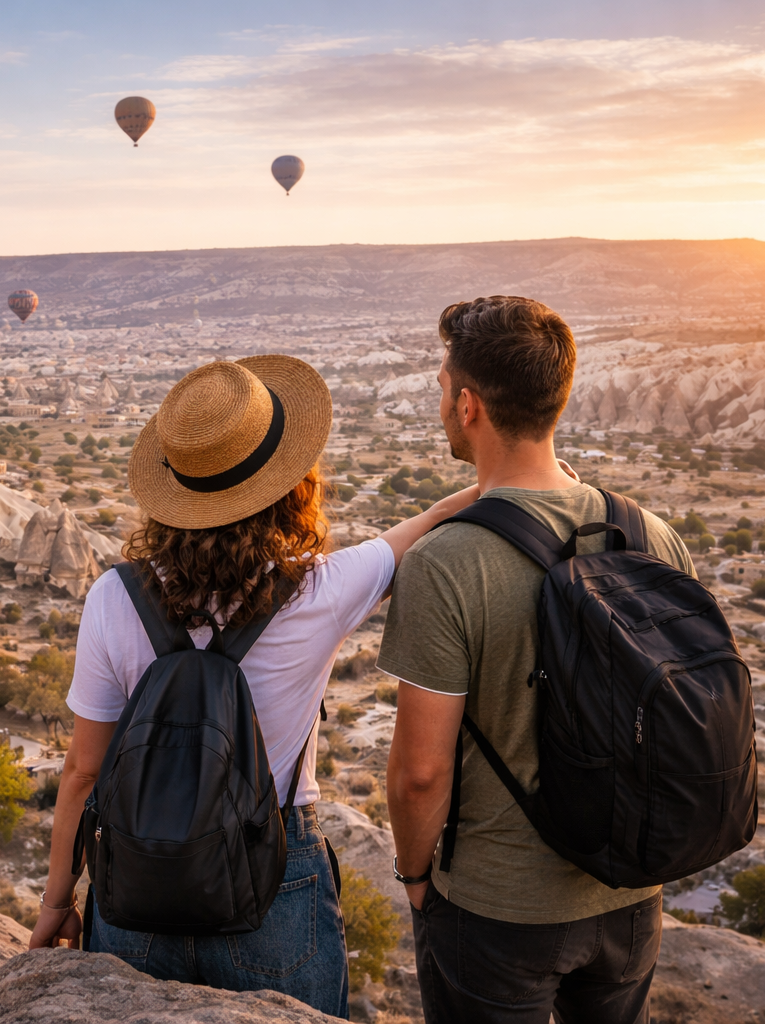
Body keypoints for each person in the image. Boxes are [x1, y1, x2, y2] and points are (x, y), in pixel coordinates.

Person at [28, 354, 480, 1018]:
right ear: (291, 482)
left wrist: (56, 901)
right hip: (274, 884)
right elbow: (425, 527)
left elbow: (80, 772)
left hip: (137, 886)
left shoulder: (112, 597)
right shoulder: (321, 590)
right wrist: (512, 483)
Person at [380, 295, 696, 1023]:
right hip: (630, 895)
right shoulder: (651, 534)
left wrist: (415, 878)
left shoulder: (447, 563)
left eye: (439, 388)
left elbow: (419, 773)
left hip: (498, 909)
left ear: (467, 406)